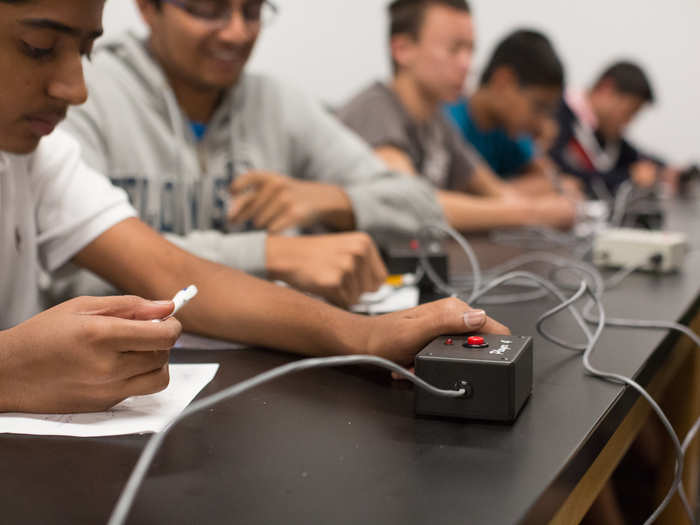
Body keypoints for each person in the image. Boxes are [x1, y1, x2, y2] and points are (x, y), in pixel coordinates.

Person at [0, 0, 508, 414]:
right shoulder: (74, 118)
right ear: (148, 10)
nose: (75, 88)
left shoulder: (41, 157)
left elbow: (166, 268)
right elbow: (74, 287)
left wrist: (368, 336)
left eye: (86, 52)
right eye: (38, 47)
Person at [57, 0, 447, 307]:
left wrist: (334, 201)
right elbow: (75, 276)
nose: (237, 32)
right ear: (147, 7)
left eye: (253, 10)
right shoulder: (79, 95)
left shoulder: (277, 103)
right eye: (208, 9)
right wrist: (272, 254)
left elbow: (423, 207)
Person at [339, 0, 577, 233]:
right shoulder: (375, 110)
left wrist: (550, 205)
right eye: (454, 50)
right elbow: (407, 204)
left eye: (470, 50)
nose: (467, 64)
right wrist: (533, 214)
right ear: (402, 49)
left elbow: (497, 191)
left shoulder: (438, 121)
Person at [445, 29, 579, 196]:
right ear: (504, 82)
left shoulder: (510, 132)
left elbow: (556, 184)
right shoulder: (447, 121)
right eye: (539, 107)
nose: (542, 123)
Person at [549, 61, 676, 196]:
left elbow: (634, 156)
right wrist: (630, 178)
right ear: (606, 89)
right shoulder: (556, 115)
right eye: (628, 112)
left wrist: (665, 170)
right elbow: (562, 173)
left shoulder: (600, 130)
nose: (627, 122)